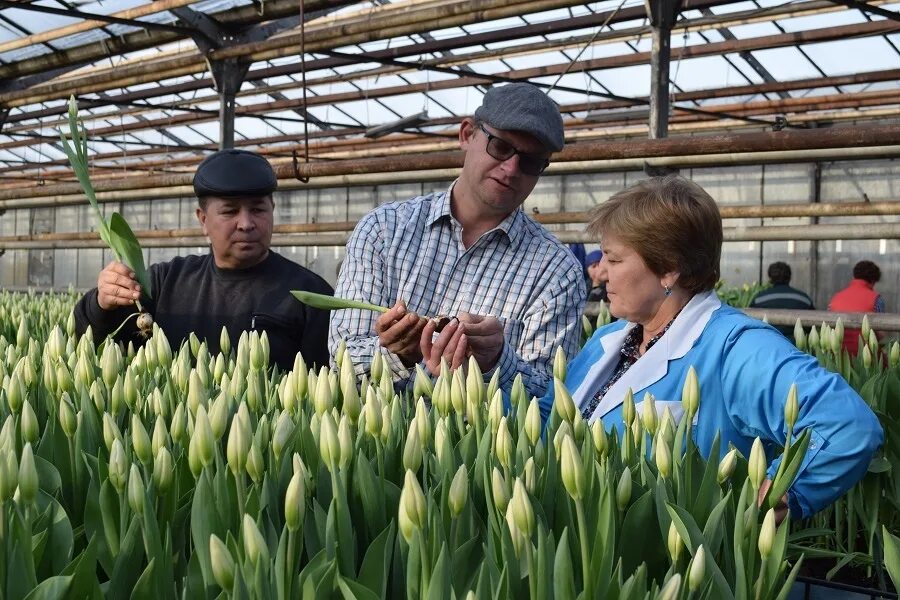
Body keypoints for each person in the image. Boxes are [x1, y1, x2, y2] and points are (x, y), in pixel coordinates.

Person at [540, 175, 882, 518]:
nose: (602, 273)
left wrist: (778, 493)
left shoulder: (736, 348)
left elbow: (848, 426)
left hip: (679, 563)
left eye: (614, 260)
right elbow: (548, 418)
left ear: (668, 268)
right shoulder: (607, 340)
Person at [330, 83, 586, 399]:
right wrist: (396, 355)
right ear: (466, 134)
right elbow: (340, 359)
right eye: (501, 147)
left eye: (531, 162)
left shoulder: (556, 272)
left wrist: (495, 362)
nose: (511, 168)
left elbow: (552, 398)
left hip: (486, 446)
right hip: (376, 442)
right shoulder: (384, 231)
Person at [74, 149, 333, 371]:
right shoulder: (164, 282)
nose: (246, 223)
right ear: (203, 219)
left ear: (272, 211)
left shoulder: (310, 295)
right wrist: (102, 303)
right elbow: (94, 344)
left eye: (257, 209)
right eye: (230, 211)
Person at [829, 260, 886, 356]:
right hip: (866, 354)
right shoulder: (876, 299)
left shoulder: (836, 297)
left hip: (838, 354)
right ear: (873, 280)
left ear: (854, 276)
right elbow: (881, 334)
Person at [749, 261, 814, 337]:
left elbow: (751, 322)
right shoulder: (804, 299)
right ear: (789, 277)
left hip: (767, 341)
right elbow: (812, 326)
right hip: (795, 344)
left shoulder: (759, 299)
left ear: (770, 278)